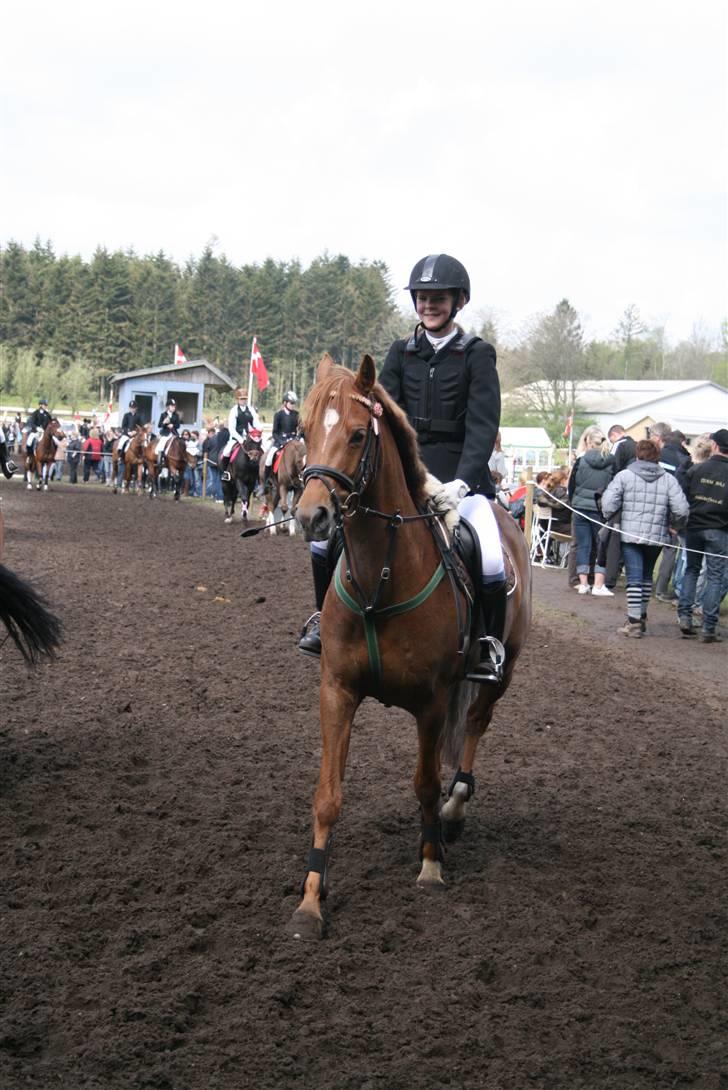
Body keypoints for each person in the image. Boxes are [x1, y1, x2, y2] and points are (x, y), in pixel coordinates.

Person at [299, 252, 506, 684]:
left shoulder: (477, 355)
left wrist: (463, 483)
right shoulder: (401, 352)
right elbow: (380, 414)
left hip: (459, 478)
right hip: (407, 477)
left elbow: (483, 427)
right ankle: (323, 620)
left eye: (439, 298)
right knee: (323, 543)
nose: (429, 305)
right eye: (423, 298)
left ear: (459, 301)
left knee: (488, 551)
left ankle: (487, 643)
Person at [601, 439, 688, 638]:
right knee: (647, 576)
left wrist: (611, 516)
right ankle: (640, 617)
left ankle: (634, 623)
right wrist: (676, 525)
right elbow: (682, 509)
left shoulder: (624, 475)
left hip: (630, 534)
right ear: (657, 456)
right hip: (657, 534)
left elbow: (608, 503)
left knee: (634, 577)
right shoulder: (668, 479)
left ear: (637, 454)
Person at [676, 428, 728, 643]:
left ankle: (685, 617)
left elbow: (683, 497)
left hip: (694, 528)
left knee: (691, 570)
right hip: (719, 530)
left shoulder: (697, 469)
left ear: (714, 445)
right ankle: (708, 627)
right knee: (715, 576)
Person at [567, 426, 615, 595]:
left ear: (588, 442)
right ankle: (598, 584)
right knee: (601, 546)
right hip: (599, 509)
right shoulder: (612, 461)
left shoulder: (581, 460)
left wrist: (574, 502)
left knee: (583, 545)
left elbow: (571, 485)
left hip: (580, 508)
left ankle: (583, 583)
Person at [220, 388, 262, 482]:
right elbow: (231, 428)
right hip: (236, 437)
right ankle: (225, 472)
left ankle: (261, 475)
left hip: (250, 438)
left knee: (263, 450)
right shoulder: (234, 410)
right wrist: (240, 439)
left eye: (245, 399)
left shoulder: (251, 409)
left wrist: (259, 430)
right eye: (241, 399)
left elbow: (256, 423)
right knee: (226, 452)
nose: (243, 401)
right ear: (238, 399)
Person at [262, 392, 299, 486]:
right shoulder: (278, 415)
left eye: (294, 403)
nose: (293, 405)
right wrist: (281, 441)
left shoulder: (296, 414)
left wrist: (298, 437)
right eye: (291, 403)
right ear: (285, 403)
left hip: (293, 440)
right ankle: (267, 480)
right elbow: (274, 433)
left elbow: (299, 428)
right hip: (281, 441)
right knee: (269, 457)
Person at [155, 399, 180, 464]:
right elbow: (159, 425)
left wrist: (173, 425)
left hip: (174, 433)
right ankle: (160, 459)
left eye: (174, 406)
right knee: (162, 443)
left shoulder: (176, 415)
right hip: (165, 433)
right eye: (172, 406)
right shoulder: (163, 415)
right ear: (168, 407)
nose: (174, 408)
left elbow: (178, 425)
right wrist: (164, 422)